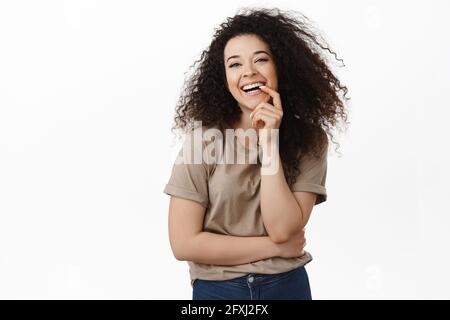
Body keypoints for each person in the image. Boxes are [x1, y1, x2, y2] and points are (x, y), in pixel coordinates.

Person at [163, 7, 349, 300]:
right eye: (234, 64)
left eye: (261, 59)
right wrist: (275, 249)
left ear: (281, 66)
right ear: (224, 78)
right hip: (218, 291)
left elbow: (284, 228)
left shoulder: (310, 140)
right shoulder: (203, 140)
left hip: (286, 286)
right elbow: (183, 244)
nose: (248, 71)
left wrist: (270, 142)